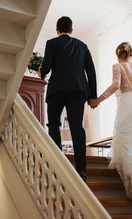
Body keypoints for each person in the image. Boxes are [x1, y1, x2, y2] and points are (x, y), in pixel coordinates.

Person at [89, 42, 132, 201]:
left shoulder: (118, 66)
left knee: (129, 145)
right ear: (131, 54)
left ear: (118, 55)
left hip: (128, 103)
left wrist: (97, 101)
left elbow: (115, 86)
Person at [38, 16, 97, 182]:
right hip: (78, 90)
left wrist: (41, 73)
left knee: (54, 125)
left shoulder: (51, 43)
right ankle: (81, 169)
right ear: (71, 30)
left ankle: (59, 164)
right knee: (77, 127)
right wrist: (93, 96)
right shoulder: (82, 46)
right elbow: (91, 72)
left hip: (56, 90)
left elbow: (46, 68)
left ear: (56, 30)